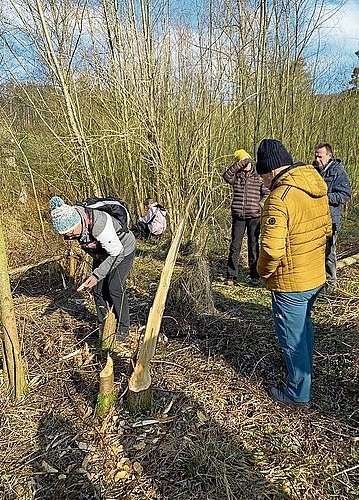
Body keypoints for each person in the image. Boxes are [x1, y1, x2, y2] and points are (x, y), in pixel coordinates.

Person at [256, 139, 332, 406]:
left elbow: (272, 250)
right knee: (304, 328)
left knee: (292, 339)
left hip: (291, 283)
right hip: (314, 276)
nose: (263, 182)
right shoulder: (315, 186)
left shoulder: (279, 199)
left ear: (272, 171)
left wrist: (263, 272)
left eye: (263, 175)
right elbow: (327, 231)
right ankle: (305, 372)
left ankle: (297, 393)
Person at [49, 196, 136, 341]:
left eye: (70, 232)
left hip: (122, 250)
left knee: (115, 287)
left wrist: (96, 276)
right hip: (102, 255)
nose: (69, 236)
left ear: (77, 221)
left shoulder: (99, 224)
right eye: (65, 234)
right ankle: (105, 325)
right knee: (98, 290)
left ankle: (123, 328)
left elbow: (117, 253)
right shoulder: (76, 223)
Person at [223, 148, 269, 286]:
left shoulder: (258, 176)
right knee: (235, 246)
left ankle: (254, 275)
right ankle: (231, 275)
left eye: (246, 161)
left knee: (253, 245)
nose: (245, 165)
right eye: (242, 162)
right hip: (238, 215)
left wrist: (260, 205)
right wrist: (239, 163)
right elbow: (226, 176)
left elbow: (267, 193)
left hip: (254, 216)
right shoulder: (236, 177)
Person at [313, 142, 351, 286]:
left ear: (329, 156)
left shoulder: (338, 171)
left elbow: (345, 195)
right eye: (316, 156)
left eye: (320, 156)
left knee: (329, 251)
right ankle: (315, 281)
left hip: (330, 219)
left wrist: (325, 198)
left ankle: (330, 282)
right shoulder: (312, 170)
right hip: (313, 218)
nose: (317, 159)